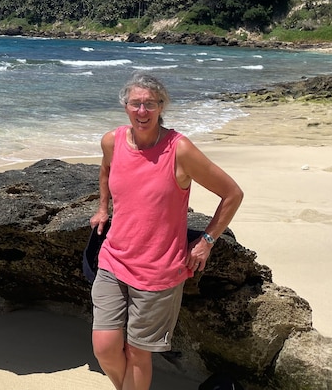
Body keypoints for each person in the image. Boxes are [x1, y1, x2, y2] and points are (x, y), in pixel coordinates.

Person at [90, 72, 244, 390]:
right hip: (113, 261)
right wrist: (103, 207)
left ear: (162, 106)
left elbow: (232, 194)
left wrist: (207, 241)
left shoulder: (179, 149)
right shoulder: (112, 141)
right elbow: (105, 169)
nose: (142, 111)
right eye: (136, 103)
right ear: (125, 107)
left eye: (150, 104)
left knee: (136, 354)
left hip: (158, 272)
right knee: (104, 348)